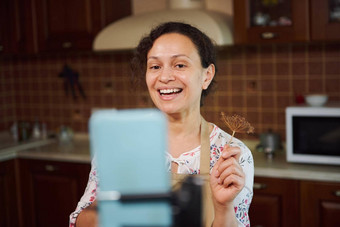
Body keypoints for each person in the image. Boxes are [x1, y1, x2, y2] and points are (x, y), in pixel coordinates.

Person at [70, 22, 254, 227]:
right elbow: (81, 221)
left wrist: (223, 207)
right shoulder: (121, 146)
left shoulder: (232, 155)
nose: (165, 77)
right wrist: (111, 204)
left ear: (206, 76)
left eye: (180, 65)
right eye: (155, 66)